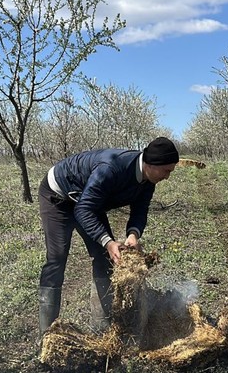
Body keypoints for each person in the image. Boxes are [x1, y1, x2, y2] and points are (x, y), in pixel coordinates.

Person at [37, 136, 179, 338]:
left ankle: (102, 329)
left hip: (88, 201)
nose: (168, 176)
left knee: (105, 258)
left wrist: (133, 235)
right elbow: (83, 210)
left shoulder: (149, 179)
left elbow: (140, 210)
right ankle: (48, 333)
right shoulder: (112, 168)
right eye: (167, 171)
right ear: (152, 164)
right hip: (58, 194)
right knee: (57, 256)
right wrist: (108, 241)